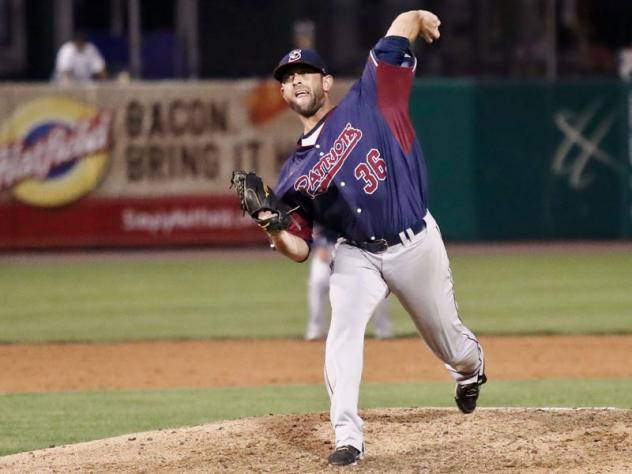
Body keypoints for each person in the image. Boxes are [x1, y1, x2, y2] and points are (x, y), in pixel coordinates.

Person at [256, 10, 485, 466]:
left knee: (453, 347)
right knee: (341, 331)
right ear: (283, 93)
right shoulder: (292, 177)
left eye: (305, 72)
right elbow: (299, 250)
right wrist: (271, 224)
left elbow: (398, 30)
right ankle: (348, 436)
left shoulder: (372, 95)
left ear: (325, 82)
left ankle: (470, 370)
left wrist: (417, 17)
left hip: (416, 242)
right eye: (288, 77)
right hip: (356, 253)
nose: (297, 80)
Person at [305, 224, 393, 341]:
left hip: (363, 248)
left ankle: (383, 328)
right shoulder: (324, 206)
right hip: (329, 246)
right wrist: (320, 246)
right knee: (318, 282)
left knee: (379, 286)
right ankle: (316, 327)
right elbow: (314, 225)